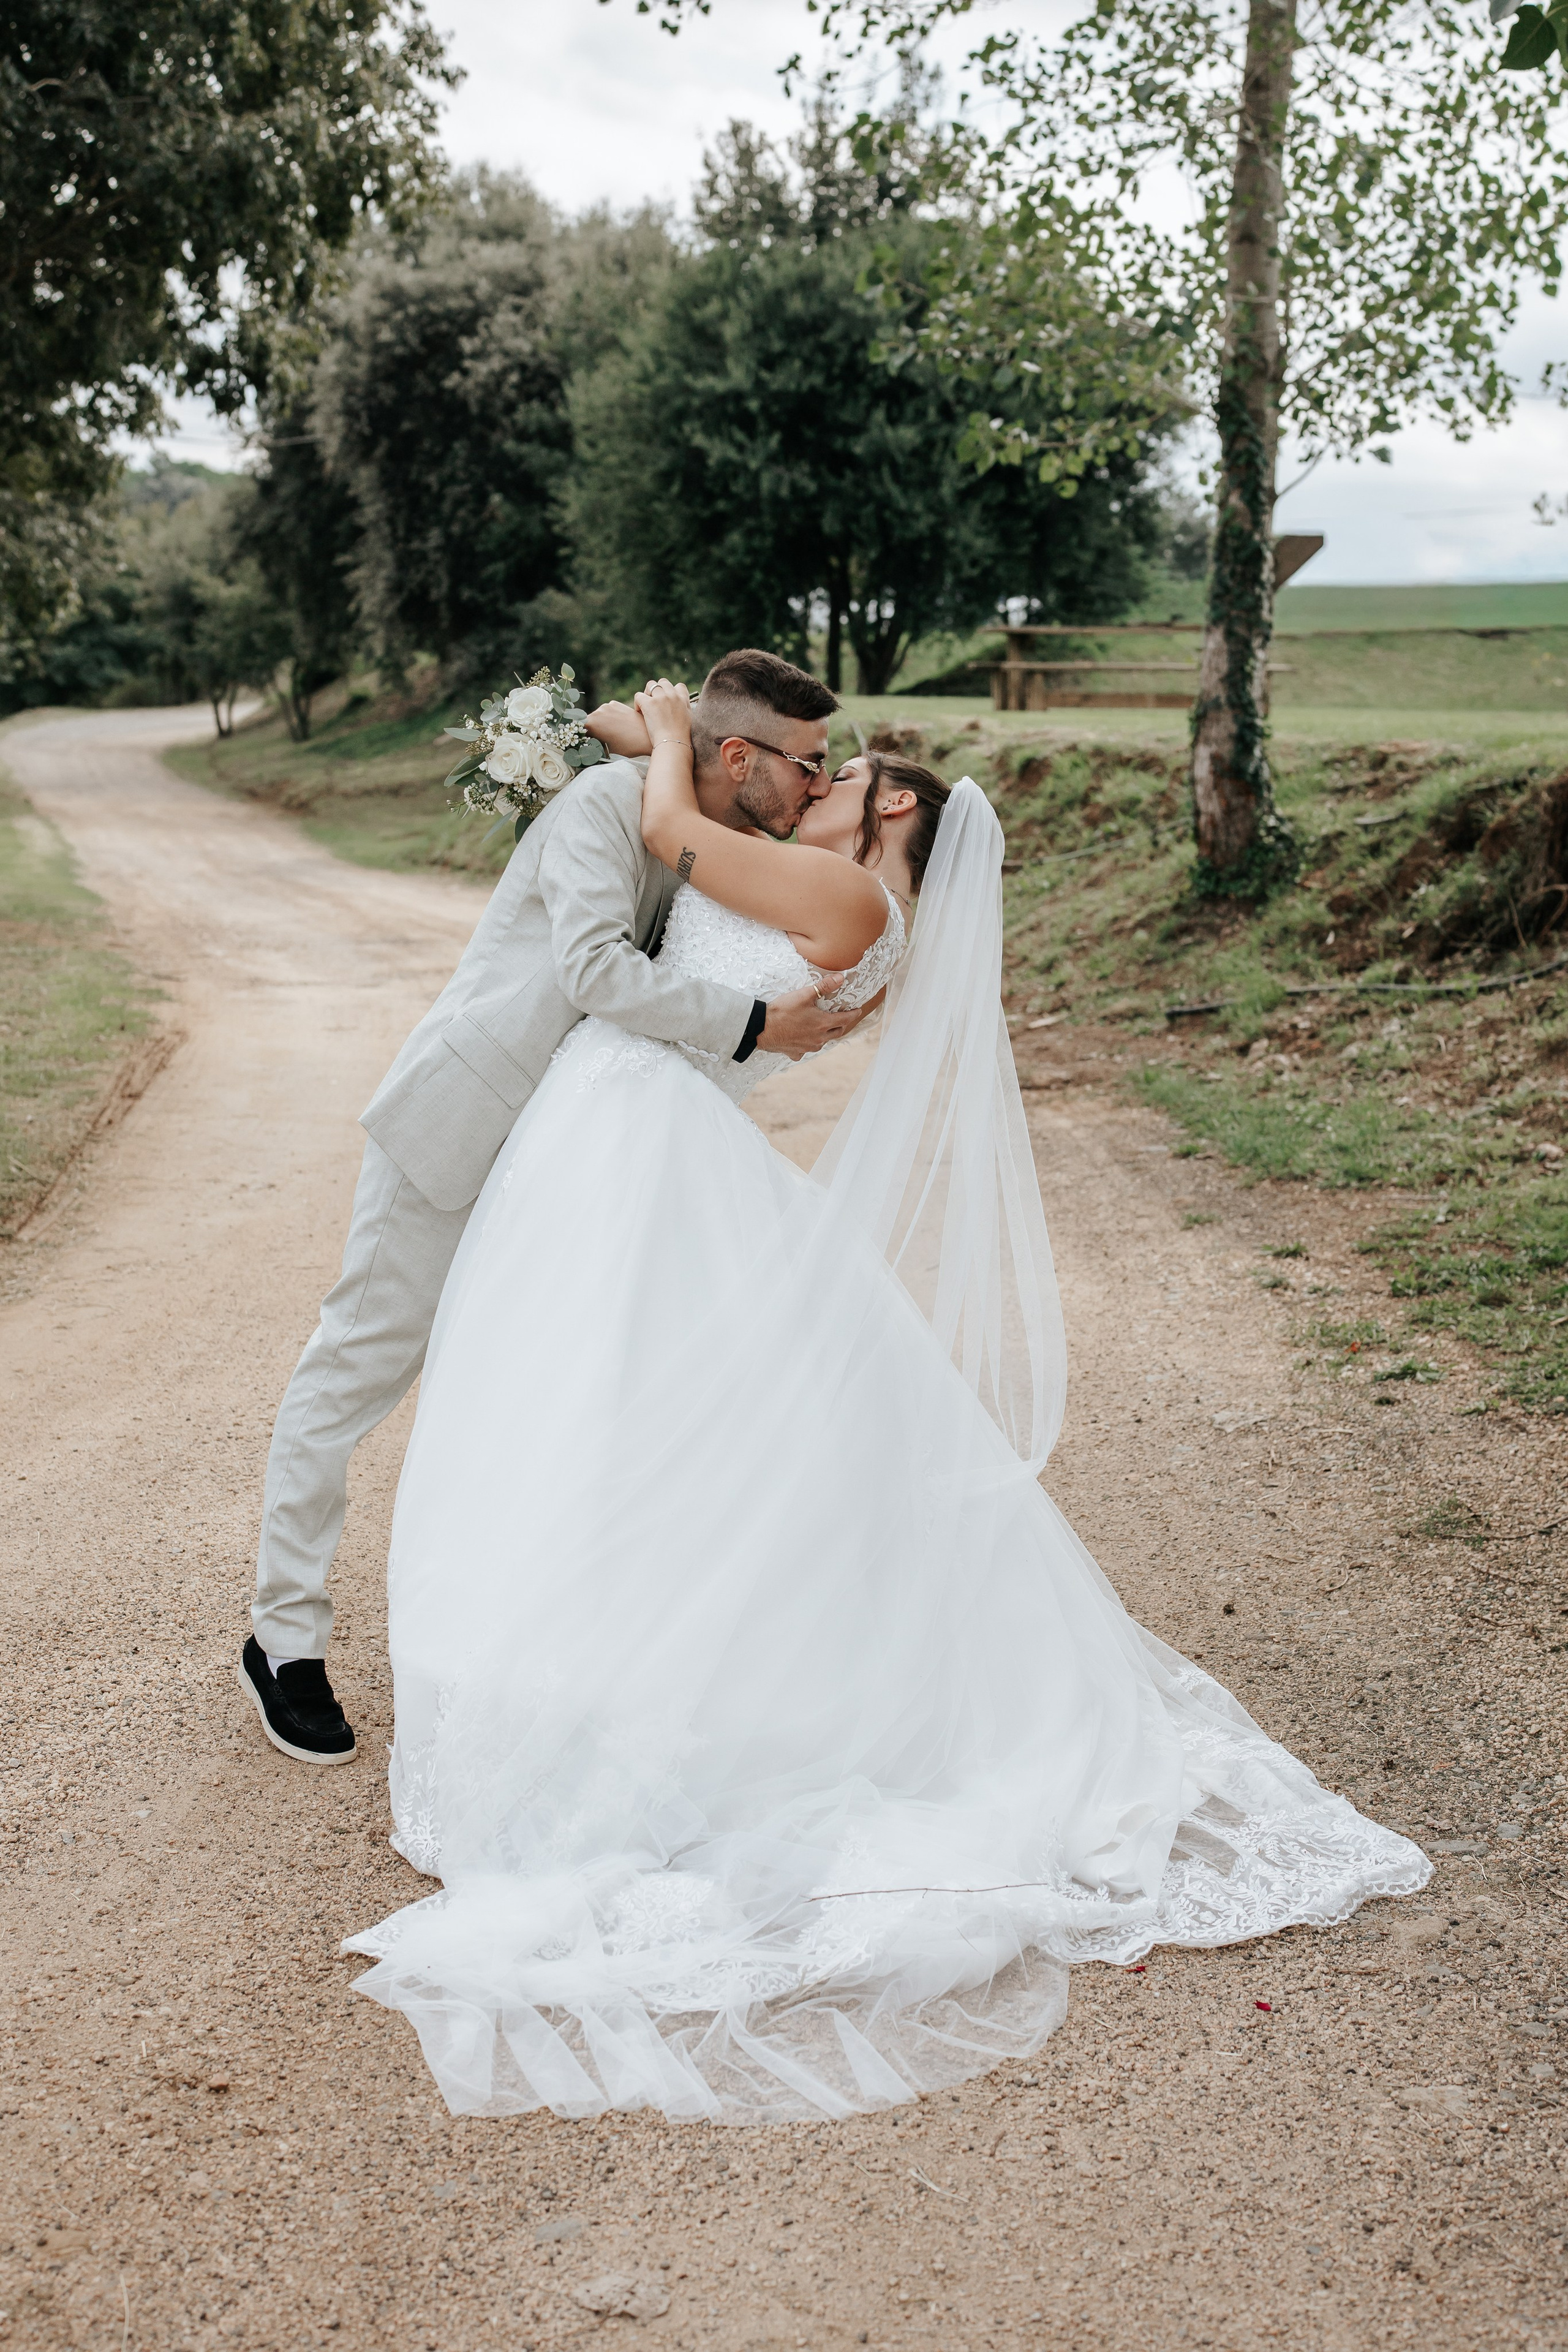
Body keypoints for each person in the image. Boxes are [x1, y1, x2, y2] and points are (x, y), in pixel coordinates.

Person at [342, 679, 1430, 2125]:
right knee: (640, 1432)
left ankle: (616, 1693)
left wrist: (660, 731)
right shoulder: (858, 913)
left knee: (606, 1414)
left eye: (836, 770)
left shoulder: (833, 896)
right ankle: (603, 1664)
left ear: (893, 809)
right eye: (805, 762)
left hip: (638, 1136)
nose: (813, 782)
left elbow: (670, 825)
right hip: (641, 1128)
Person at [240, 650, 873, 1767]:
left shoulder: (706, 842)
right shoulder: (598, 807)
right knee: (355, 1372)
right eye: (811, 766)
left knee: (545, 1404)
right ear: (742, 756)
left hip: (572, 1169)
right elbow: (590, 970)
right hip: (463, 1127)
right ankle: (284, 1641)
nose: (820, 786)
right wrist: (753, 1025)